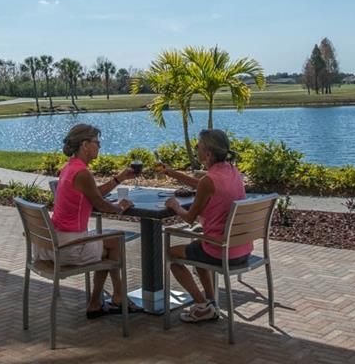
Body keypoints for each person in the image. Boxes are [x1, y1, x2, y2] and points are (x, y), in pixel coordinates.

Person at [42, 124, 143, 317]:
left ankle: (102, 301)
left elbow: (92, 195)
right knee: (115, 243)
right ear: (85, 145)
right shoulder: (82, 173)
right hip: (68, 247)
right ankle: (113, 298)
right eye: (97, 142)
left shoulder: (70, 168)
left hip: (53, 242)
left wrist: (119, 179)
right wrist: (121, 208)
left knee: (110, 243)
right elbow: (100, 204)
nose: (100, 146)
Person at [157, 129, 251, 323]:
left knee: (170, 254)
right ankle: (210, 304)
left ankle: (201, 305)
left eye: (198, 145)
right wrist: (171, 173)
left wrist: (174, 205)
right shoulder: (233, 171)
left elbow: (190, 218)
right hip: (241, 249)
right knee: (196, 245)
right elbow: (202, 184)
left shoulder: (210, 180)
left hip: (220, 251)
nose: (195, 148)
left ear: (208, 153)